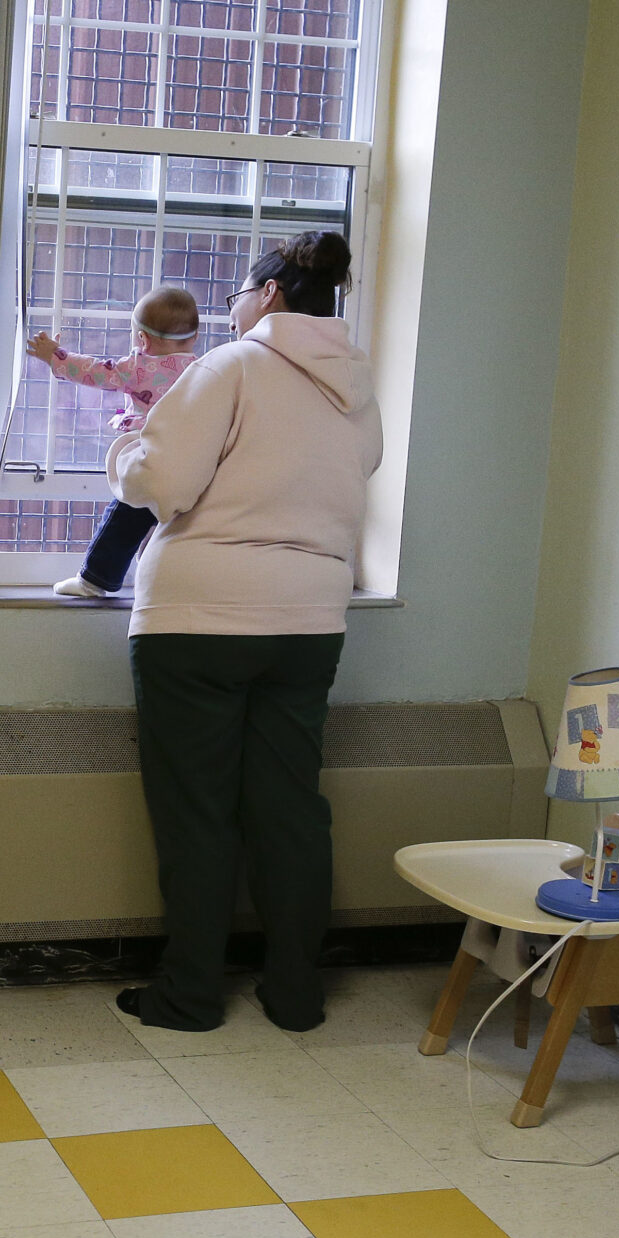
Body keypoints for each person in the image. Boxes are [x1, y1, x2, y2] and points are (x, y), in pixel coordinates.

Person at [104, 232, 383, 1033]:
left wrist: (126, 442)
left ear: (267, 296)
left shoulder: (229, 367)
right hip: (310, 620)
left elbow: (160, 483)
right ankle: (295, 994)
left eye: (236, 296)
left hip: (199, 621)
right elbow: (349, 475)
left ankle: (190, 995)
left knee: (199, 813)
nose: (228, 310)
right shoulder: (357, 392)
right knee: (291, 811)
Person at [25, 283, 200, 598]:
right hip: (193, 465)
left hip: (153, 461)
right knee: (172, 529)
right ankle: (167, 584)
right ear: (194, 337)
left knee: (123, 516)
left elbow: (94, 371)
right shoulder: (203, 368)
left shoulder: (140, 367)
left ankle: (95, 579)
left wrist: (55, 356)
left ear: (141, 339)